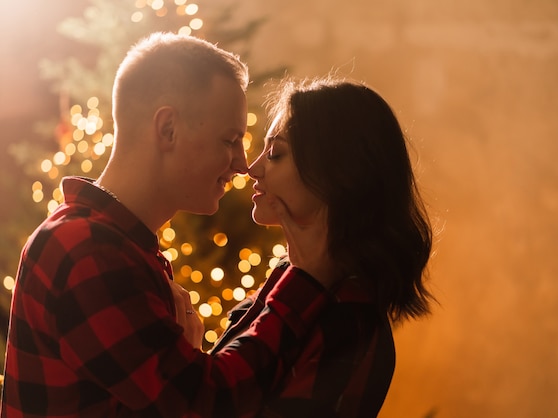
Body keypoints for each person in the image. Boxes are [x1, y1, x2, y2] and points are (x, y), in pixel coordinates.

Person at [1, 33, 337, 417]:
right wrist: (304, 279)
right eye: (230, 140)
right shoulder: (86, 250)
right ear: (168, 130)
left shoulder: (119, 244)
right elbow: (211, 404)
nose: (242, 164)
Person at [209, 76, 435, 417]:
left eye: (275, 153)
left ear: (336, 174)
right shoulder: (292, 280)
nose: (252, 169)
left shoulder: (346, 318)